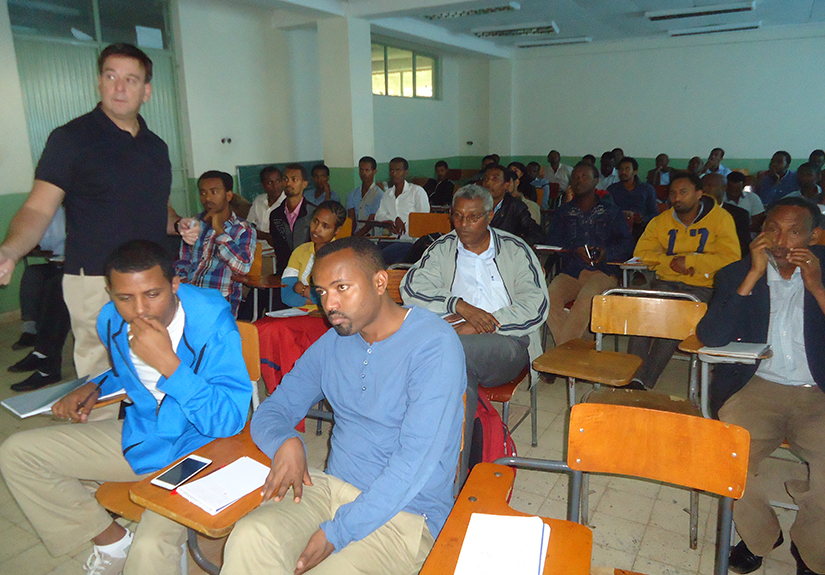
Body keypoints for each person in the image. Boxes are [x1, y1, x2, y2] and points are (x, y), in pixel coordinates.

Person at [0, 240, 251, 575]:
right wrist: (94, 386)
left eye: (152, 294)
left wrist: (170, 365)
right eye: (124, 298)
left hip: (202, 449)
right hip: (147, 436)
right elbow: (127, 371)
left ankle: (140, 545)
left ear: (175, 285)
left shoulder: (212, 326)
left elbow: (229, 421)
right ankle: (112, 542)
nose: (139, 310)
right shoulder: (111, 319)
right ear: (109, 292)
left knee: (149, 550)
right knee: (18, 453)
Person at [220, 236, 465, 575]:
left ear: (380, 282)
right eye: (321, 292)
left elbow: (413, 463)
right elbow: (272, 412)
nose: (329, 305)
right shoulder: (333, 343)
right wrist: (286, 441)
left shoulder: (434, 345)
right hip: (332, 489)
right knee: (250, 536)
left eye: (341, 288)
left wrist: (338, 532)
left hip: (406, 513)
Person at [0, 43, 199, 380]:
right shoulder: (71, 139)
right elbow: (37, 206)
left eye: (131, 80)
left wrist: (178, 224)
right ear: (99, 83)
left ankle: (147, 433)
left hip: (150, 279)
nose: (119, 87)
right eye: (111, 76)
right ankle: (101, 432)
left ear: (146, 90)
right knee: (102, 377)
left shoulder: (155, 147)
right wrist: (10, 250)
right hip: (95, 279)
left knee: (153, 370)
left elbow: (157, 206)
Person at [696, 197, 825, 575]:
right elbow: (712, 336)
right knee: (725, 461)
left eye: (794, 232)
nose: (782, 242)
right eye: (772, 229)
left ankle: (811, 548)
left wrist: (816, 287)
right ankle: (762, 537)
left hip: (818, 394)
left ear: (815, 236)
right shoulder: (736, 272)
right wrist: (752, 277)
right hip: (757, 388)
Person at [401, 184, 547, 480]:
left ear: (490, 215)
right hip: (459, 340)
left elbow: (537, 304)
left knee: (441, 353)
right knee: (457, 375)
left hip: (508, 343)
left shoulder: (516, 250)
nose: (463, 224)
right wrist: (460, 306)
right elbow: (411, 287)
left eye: (473, 217)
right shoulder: (443, 248)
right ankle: (459, 474)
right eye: (457, 216)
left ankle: (428, 463)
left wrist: (485, 322)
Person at [627, 172, 740, 389]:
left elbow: (730, 258)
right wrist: (671, 262)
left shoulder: (721, 219)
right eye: (673, 193)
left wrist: (691, 262)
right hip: (666, 282)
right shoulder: (661, 221)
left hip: (702, 286)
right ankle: (634, 376)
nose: (677, 198)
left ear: (699, 194)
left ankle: (645, 381)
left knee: (676, 317)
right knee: (643, 311)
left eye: (683, 192)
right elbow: (641, 253)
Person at [545, 163, 634, 346]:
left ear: (596, 181)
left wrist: (606, 253)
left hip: (603, 272)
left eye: (584, 177)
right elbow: (552, 241)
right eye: (575, 177)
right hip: (572, 270)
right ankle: (577, 347)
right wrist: (572, 248)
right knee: (547, 299)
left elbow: (627, 244)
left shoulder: (611, 211)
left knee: (586, 301)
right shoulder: (564, 212)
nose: (579, 181)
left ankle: (560, 358)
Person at [175, 170, 256, 316]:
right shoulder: (194, 224)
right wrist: (182, 284)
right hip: (190, 296)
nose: (207, 198)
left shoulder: (243, 229)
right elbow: (183, 261)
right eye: (203, 193)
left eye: (214, 192)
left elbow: (243, 267)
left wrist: (219, 231)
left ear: (229, 195)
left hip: (220, 301)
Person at [8, 207, 71, 391]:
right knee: (33, 274)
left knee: (57, 286)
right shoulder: (54, 210)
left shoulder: (84, 209)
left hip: (78, 268)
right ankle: (32, 334)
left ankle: (46, 359)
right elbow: (47, 243)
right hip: (58, 263)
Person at [281, 200, 346, 309]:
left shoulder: (341, 256)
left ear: (337, 230)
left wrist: (304, 291)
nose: (316, 230)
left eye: (325, 226)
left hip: (328, 317)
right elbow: (287, 296)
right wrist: (316, 298)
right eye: (315, 221)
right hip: (297, 313)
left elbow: (338, 298)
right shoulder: (300, 251)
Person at [374, 157, 430, 264]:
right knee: (370, 252)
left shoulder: (416, 192)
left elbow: (424, 220)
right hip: (392, 239)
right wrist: (394, 220)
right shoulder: (388, 194)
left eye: (398, 170)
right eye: (391, 170)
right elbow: (379, 215)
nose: (394, 173)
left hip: (411, 241)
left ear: (406, 172)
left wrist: (407, 227)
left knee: (380, 258)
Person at [270, 163, 317, 275]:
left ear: (304, 184)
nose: (288, 183)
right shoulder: (275, 215)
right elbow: (279, 249)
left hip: (308, 272)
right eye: (285, 179)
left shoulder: (313, 213)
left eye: (294, 179)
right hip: (284, 272)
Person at [481, 164, 543, 245]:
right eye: (485, 178)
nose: (488, 183)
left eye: (495, 179)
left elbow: (537, 234)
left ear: (506, 185)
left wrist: (512, 244)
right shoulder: (475, 205)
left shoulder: (515, 206)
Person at [607, 156, 658, 239]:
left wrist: (642, 219)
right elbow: (607, 212)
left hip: (643, 230)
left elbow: (654, 214)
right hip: (619, 230)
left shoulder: (647, 189)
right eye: (621, 169)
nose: (623, 172)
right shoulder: (612, 189)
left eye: (627, 169)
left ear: (635, 171)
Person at [703, 173, 751, 259]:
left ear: (724, 188)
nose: (704, 189)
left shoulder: (739, 215)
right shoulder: (693, 212)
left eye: (709, 185)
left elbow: (743, 247)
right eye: (702, 186)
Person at [247, 166, 285, 247]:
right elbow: (249, 227)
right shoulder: (258, 201)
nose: (275, 186)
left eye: (278, 181)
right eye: (270, 183)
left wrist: (260, 234)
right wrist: (266, 236)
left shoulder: (287, 203)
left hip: (276, 249)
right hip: (256, 247)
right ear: (263, 186)